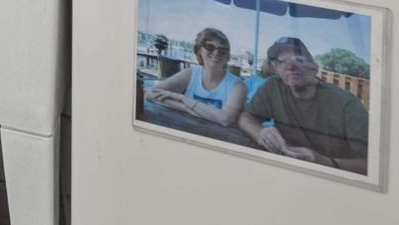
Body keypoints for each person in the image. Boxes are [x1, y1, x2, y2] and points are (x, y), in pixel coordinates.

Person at [236, 36, 370, 173]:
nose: (290, 66)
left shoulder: (346, 104)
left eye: (298, 59)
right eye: (281, 61)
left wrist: (324, 162)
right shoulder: (274, 87)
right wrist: (260, 133)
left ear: (313, 68)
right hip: (285, 169)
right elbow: (245, 117)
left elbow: (371, 164)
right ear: (276, 70)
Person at [145, 27, 245, 126]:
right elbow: (150, 94)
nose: (216, 53)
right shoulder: (189, 74)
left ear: (227, 56)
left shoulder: (237, 86)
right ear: (199, 50)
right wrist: (186, 108)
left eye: (222, 50)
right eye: (210, 47)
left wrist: (183, 99)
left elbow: (225, 119)